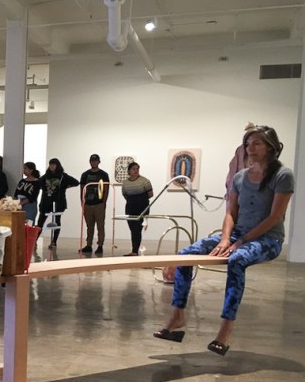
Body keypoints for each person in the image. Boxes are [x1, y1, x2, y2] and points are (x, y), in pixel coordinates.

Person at [154, 125, 294, 356]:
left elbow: (275, 217)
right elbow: (230, 213)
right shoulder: (240, 177)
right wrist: (226, 238)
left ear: (271, 147)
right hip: (237, 235)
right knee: (186, 254)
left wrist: (238, 244)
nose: (250, 148)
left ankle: (225, 330)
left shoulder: (282, 175)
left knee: (237, 260)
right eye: (248, 144)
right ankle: (177, 315)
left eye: (256, 143)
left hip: (268, 238)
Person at [36, 158, 79, 249]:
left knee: (56, 222)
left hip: (58, 202)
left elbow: (76, 182)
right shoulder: (45, 176)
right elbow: (38, 184)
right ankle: (35, 239)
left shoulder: (63, 176)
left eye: (54, 164)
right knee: (40, 222)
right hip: (46, 202)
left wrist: (65, 187)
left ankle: (54, 241)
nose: (52, 166)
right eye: (50, 164)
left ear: (57, 165)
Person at [79, 153, 110, 254]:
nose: (94, 162)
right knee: (89, 226)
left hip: (99, 204)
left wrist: (104, 202)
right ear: (90, 162)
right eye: (92, 160)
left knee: (100, 226)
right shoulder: (85, 175)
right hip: (87, 203)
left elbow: (106, 189)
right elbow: (82, 189)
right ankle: (88, 245)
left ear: (99, 161)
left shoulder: (104, 174)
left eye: (96, 160)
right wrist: (82, 202)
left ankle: (100, 245)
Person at [120, 162, 153, 256]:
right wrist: (133, 201)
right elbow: (125, 194)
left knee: (137, 229)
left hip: (142, 208)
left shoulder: (145, 181)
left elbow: (150, 194)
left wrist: (140, 199)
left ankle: (135, 251)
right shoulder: (125, 182)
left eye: (137, 169)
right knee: (132, 229)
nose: (136, 171)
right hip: (130, 208)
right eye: (133, 169)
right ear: (129, 171)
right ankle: (134, 250)